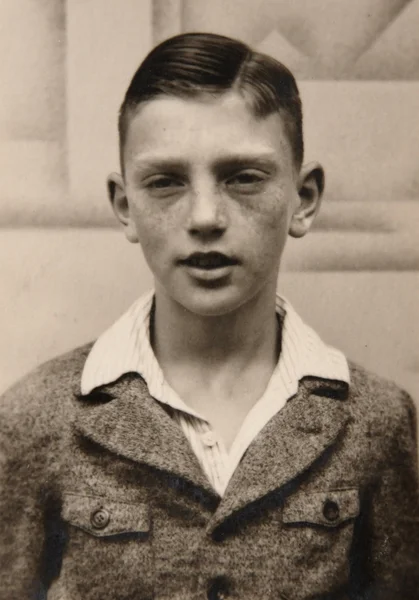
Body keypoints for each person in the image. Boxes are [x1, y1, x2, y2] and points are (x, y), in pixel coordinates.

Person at [0, 32, 418, 600]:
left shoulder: (377, 421)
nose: (204, 217)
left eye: (243, 177)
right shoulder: (36, 418)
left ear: (304, 198)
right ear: (125, 207)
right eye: (165, 181)